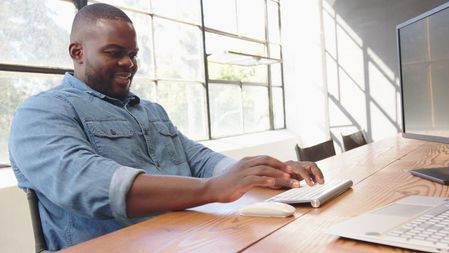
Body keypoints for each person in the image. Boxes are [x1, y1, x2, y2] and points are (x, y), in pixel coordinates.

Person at [8, 3, 323, 251]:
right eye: (114, 53)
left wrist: (266, 173)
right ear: (77, 52)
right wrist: (215, 189)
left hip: (187, 237)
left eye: (132, 54)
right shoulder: (41, 112)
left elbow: (200, 160)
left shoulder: (151, 110)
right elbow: (91, 185)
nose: (129, 64)